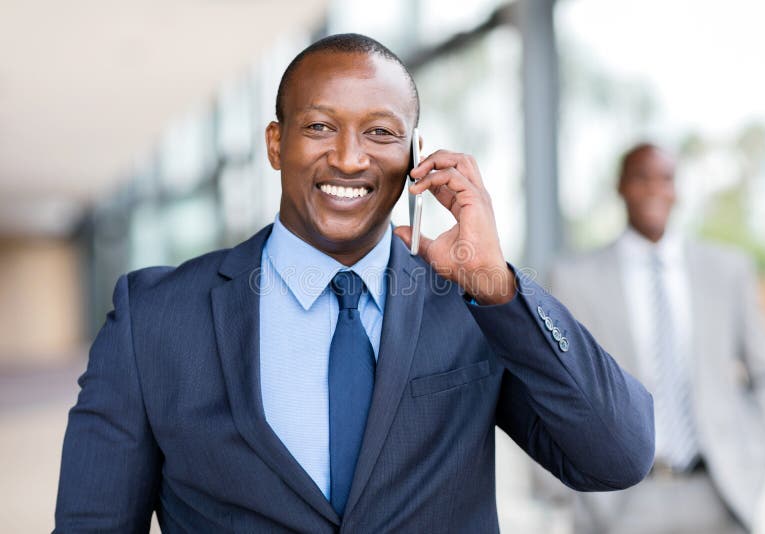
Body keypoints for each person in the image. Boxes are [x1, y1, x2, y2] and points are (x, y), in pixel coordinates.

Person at [54, 34, 655, 533]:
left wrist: (499, 288)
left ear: (416, 155)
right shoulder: (154, 318)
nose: (348, 158)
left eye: (380, 133)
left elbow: (618, 456)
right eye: (320, 126)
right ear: (276, 144)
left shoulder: (473, 304)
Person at [546, 143, 765, 533]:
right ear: (620, 187)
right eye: (641, 178)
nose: (654, 189)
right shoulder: (574, 279)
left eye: (665, 179)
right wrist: (560, 489)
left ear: (677, 190)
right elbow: (548, 383)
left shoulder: (727, 270)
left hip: (717, 493)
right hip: (619, 503)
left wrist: (753, 464)